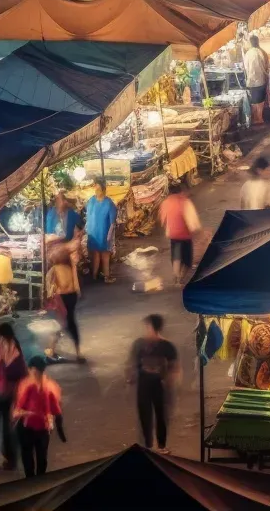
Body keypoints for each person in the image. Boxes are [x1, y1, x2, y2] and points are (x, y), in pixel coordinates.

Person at [127, 314, 179, 453]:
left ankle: (161, 446)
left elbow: (174, 367)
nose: (145, 329)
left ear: (154, 328)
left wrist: (169, 381)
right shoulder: (139, 344)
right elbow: (134, 363)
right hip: (143, 385)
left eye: (147, 326)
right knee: (144, 416)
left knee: (161, 416)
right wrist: (132, 376)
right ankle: (148, 446)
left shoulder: (166, 346)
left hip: (159, 385)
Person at [12, 356, 65, 477]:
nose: (36, 375)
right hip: (27, 428)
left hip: (42, 428)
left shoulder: (49, 388)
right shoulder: (28, 387)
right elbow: (17, 411)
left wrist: (55, 425)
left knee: (41, 460)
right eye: (34, 372)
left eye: (38, 372)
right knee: (28, 458)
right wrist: (29, 413)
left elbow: (56, 410)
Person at [0, 323, 26, 470]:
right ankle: (5, 455)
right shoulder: (14, 343)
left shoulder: (1, 345)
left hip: (2, 391)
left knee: (0, 424)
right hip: (10, 390)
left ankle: (3, 456)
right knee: (5, 423)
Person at [158, 181, 201, 286]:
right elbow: (192, 221)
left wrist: (168, 228)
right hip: (185, 235)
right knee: (187, 260)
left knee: (176, 257)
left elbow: (162, 219)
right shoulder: (185, 202)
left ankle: (176, 276)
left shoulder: (165, 203)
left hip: (173, 235)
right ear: (181, 191)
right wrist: (198, 230)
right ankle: (181, 278)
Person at [44, 246, 83, 362]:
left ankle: (51, 350)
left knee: (59, 323)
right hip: (73, 297)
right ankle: (78, 352)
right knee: (71, 323)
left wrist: (54, 293)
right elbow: (76, 286)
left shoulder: (55, 268)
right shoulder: (70, 267)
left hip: (62, 298)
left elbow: (57, 286)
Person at [84, 180, 117, 283]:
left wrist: (109, 236)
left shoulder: (108, 203)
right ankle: (99, 276)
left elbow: (112, 223)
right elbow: (88, 217)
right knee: (98, 255)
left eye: (99, 189)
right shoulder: (92, 201)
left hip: (103, 234)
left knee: (102, 255)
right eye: (96, 189)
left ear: (104, 190)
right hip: (94, 234)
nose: (97, 191)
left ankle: (101, 276)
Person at [243, 35, 270, 126]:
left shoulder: (248, 53)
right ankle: (260, 118)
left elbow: (245, 67)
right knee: (261, 100)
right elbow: (267, 66)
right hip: (261, 79)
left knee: (253, 100)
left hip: (251, 80)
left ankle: (255, 118)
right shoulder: (262, 52)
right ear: (258, 42)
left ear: (250, 43)